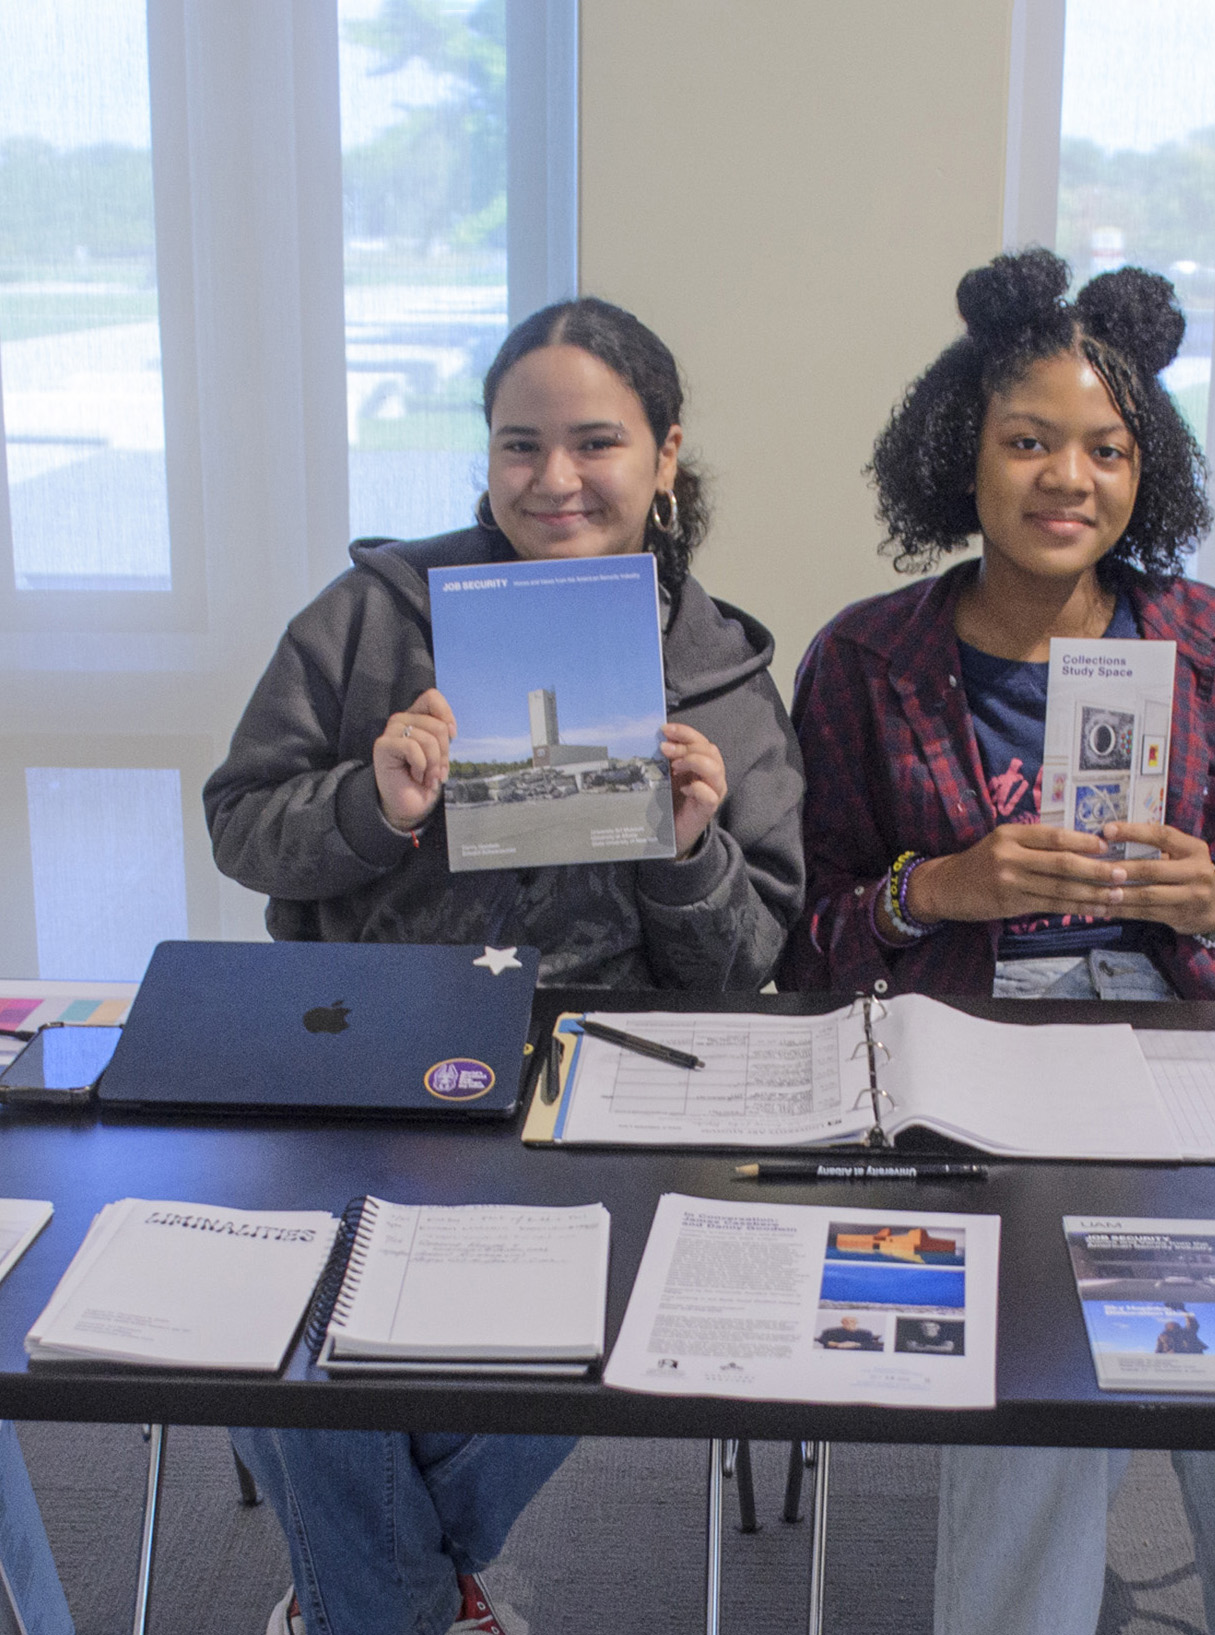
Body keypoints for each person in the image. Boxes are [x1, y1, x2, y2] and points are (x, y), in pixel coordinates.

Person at [205, 296, 804, 1635]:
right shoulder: (368, 621)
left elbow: (746, 968)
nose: (554, 480)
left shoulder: (718, 675)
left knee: (621, 1299)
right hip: (369, 1048)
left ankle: (369, 1597)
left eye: (595, 443)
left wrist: (689, 850)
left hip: (621, 1074)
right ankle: (414, 1604)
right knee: (301, 1299)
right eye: (518, 444)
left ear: (666, 454)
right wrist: (377, 800)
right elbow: (241, 826)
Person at [778, 249, 1215, 1635]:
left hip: (1189, 1045)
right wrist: (938, 892)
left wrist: (1213, 903)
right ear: (958, 458)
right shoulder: (863, 660)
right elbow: (799, 945)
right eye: (1026, 441)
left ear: (1144, 468)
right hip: (967, 1057)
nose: (1066, 480)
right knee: (1035, 1380)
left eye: (1104, 448)